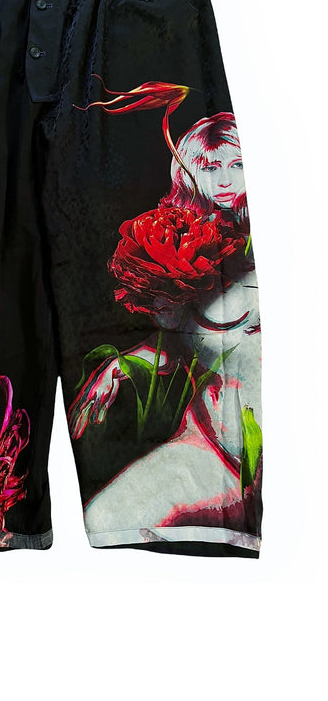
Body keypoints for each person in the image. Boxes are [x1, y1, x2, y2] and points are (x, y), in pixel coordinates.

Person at [67, 112, 262, 544]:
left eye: (237, 164)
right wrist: (124, 363)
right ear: (187, 174)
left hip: (279, 445)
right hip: (211, 447)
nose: (225, 180)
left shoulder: (273, 237)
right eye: (210, 167)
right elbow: (180, 340)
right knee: (108, 516)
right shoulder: (183, 247)